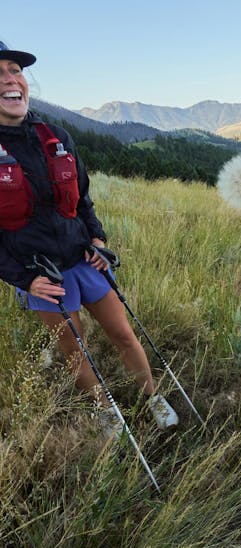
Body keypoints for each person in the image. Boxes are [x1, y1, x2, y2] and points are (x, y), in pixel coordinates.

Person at [0, 41, 178, 436]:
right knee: (73, 350)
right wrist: (24, 279)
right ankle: (104, 411)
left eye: (14, 70)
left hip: (83, 261)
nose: (10, 80)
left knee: (123, 335)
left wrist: (96, 239)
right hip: (42, 278)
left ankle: (152, 398)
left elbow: (81, 197)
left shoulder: (55, 135)